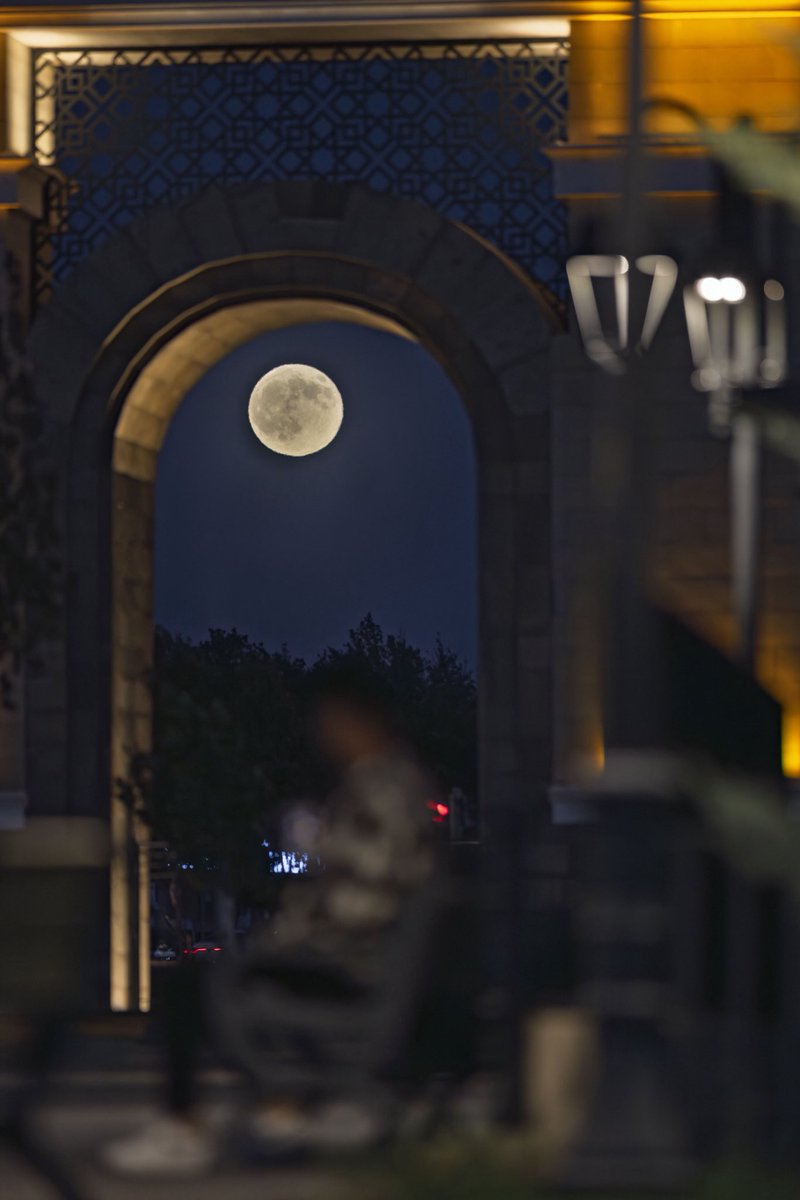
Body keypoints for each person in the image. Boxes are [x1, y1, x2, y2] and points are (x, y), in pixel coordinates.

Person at [103, 663, 439, 1177]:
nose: (322, 736)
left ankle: (187, 1124)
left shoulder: (379, 789)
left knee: (192, 987)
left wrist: (284, 942)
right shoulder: (393, 784)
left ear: (357, 720)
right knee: (210, 981)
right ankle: (275, 1107)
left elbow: (361, 897)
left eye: (328, 721)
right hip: (360, 963)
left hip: (346, 966)